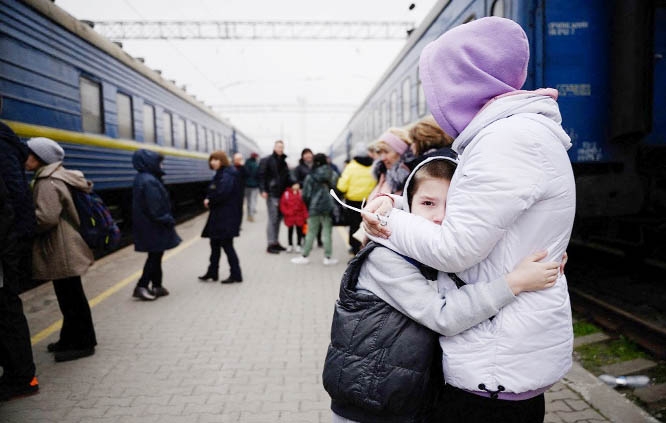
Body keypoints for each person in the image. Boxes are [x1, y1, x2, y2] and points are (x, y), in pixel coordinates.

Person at [363, 17, 575, 422]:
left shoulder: (506, 141)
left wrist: (388, 218)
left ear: (461, 81)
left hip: (493, 362)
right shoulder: (522, 134)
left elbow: (455, 249)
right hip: (507, 348)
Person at [325, 155, 562, 423]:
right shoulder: (386, 258)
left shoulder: (438, 252)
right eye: (428, 204)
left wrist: (545, 258)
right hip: (369, 403)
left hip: (402, 395)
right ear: (409, 209)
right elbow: (443, 316)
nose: (440, 216)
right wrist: (515, 282)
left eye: (454, 206)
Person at [24, 137, 97, 362]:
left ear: (39, 158)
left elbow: (46, 217)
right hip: (67, 242)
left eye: (28, 155)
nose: (24, 159)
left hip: (60, 245)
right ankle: (69, 338)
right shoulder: (59, 175)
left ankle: (83, 344)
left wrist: (23, 223)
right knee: (70, 295)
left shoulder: (47, 180)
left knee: (71, 297)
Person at [0, 122, 38, 400]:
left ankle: (21, 376)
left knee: (6, 310)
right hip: (8, 242)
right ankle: (20, 375)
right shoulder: (8, 145)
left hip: (4, 244)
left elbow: (11, 199)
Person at [131, 149, 182, 301]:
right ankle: (141, 286)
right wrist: (168, 219)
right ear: (149, 163)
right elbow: (156, 209)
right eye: (159, 162)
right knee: (154, 256)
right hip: (153, 226)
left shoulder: (143, 178)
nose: (161, 165)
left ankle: (157, 285)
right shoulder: (149, 181)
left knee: (156, 254)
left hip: (149, 225)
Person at [198, 151, 243, 283]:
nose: (213, 162)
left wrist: (210, 201)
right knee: (215, 244)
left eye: (216, 160)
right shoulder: (221, 174)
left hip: (226, 216)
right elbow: (214, 190)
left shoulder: (227, 174)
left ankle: (236, 274)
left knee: (227, 245)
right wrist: (209, 197)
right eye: (211, 160)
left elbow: (222, 193)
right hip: (220, 215)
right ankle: (212, 272)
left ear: (222, 161)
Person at [290, 153, 339, 266]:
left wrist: (309, 204)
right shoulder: (332, 173)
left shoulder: (310, 175)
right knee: (327, 231)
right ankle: (327, 257)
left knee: (311, 231)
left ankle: (304, 256)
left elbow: (305, 195)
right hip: (328, 206)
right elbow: (337, 188)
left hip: (314, 206)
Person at [335, 143, 376, 255]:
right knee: (367, 225)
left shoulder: (351, 167)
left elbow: (342, 186)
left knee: (354, 225)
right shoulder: (373, 165)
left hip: (353, 201)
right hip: (369, 201)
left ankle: (354, 248)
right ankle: (366, 247)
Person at [258, 140, 292, 254]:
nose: (280, 149)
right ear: (274, 147)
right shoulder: (266, 160)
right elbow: (261, 176)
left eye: (282, 147)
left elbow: (287, 177)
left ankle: (276, 242)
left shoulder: (283, 162)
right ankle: (270, 244)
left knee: (278, 219)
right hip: (272, 193)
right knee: (273, 219)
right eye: (278, 147)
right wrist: (263, 190)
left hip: (281, 195)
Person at [368, 127, 412, 200]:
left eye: (386, 152)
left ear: (400, 152)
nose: (382, 158)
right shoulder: (383, 174)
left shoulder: (409, 180)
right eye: (380, 152)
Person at [279, 183, 308, 253]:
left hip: (299, 216)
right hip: (290, 216)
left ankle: (299, 244)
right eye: (295, 184)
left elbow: (304, 206)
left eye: (297, 184)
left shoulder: (301, 193)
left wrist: (306, 215)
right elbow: (283, 205)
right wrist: (287, 212)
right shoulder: (286, 194)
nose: (296, 186)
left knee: (299, 231)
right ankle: (290, 244)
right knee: (290, 230)